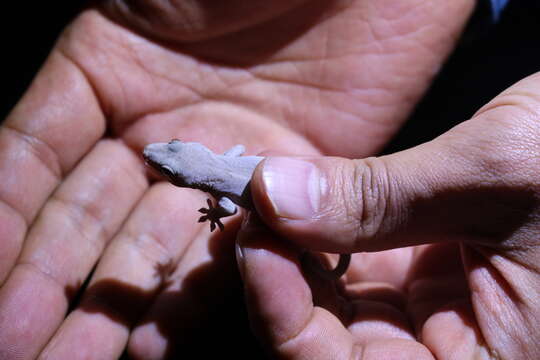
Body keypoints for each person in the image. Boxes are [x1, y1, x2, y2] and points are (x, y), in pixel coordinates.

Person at [1, 0, 537, 359]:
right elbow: (232, 160)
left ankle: (328, 269)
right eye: (167, 162)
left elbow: (233, 207)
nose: (159, 159)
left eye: (167, 163)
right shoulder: (212, 161)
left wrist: (219, 208)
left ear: (187, 177)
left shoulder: (215, 187)